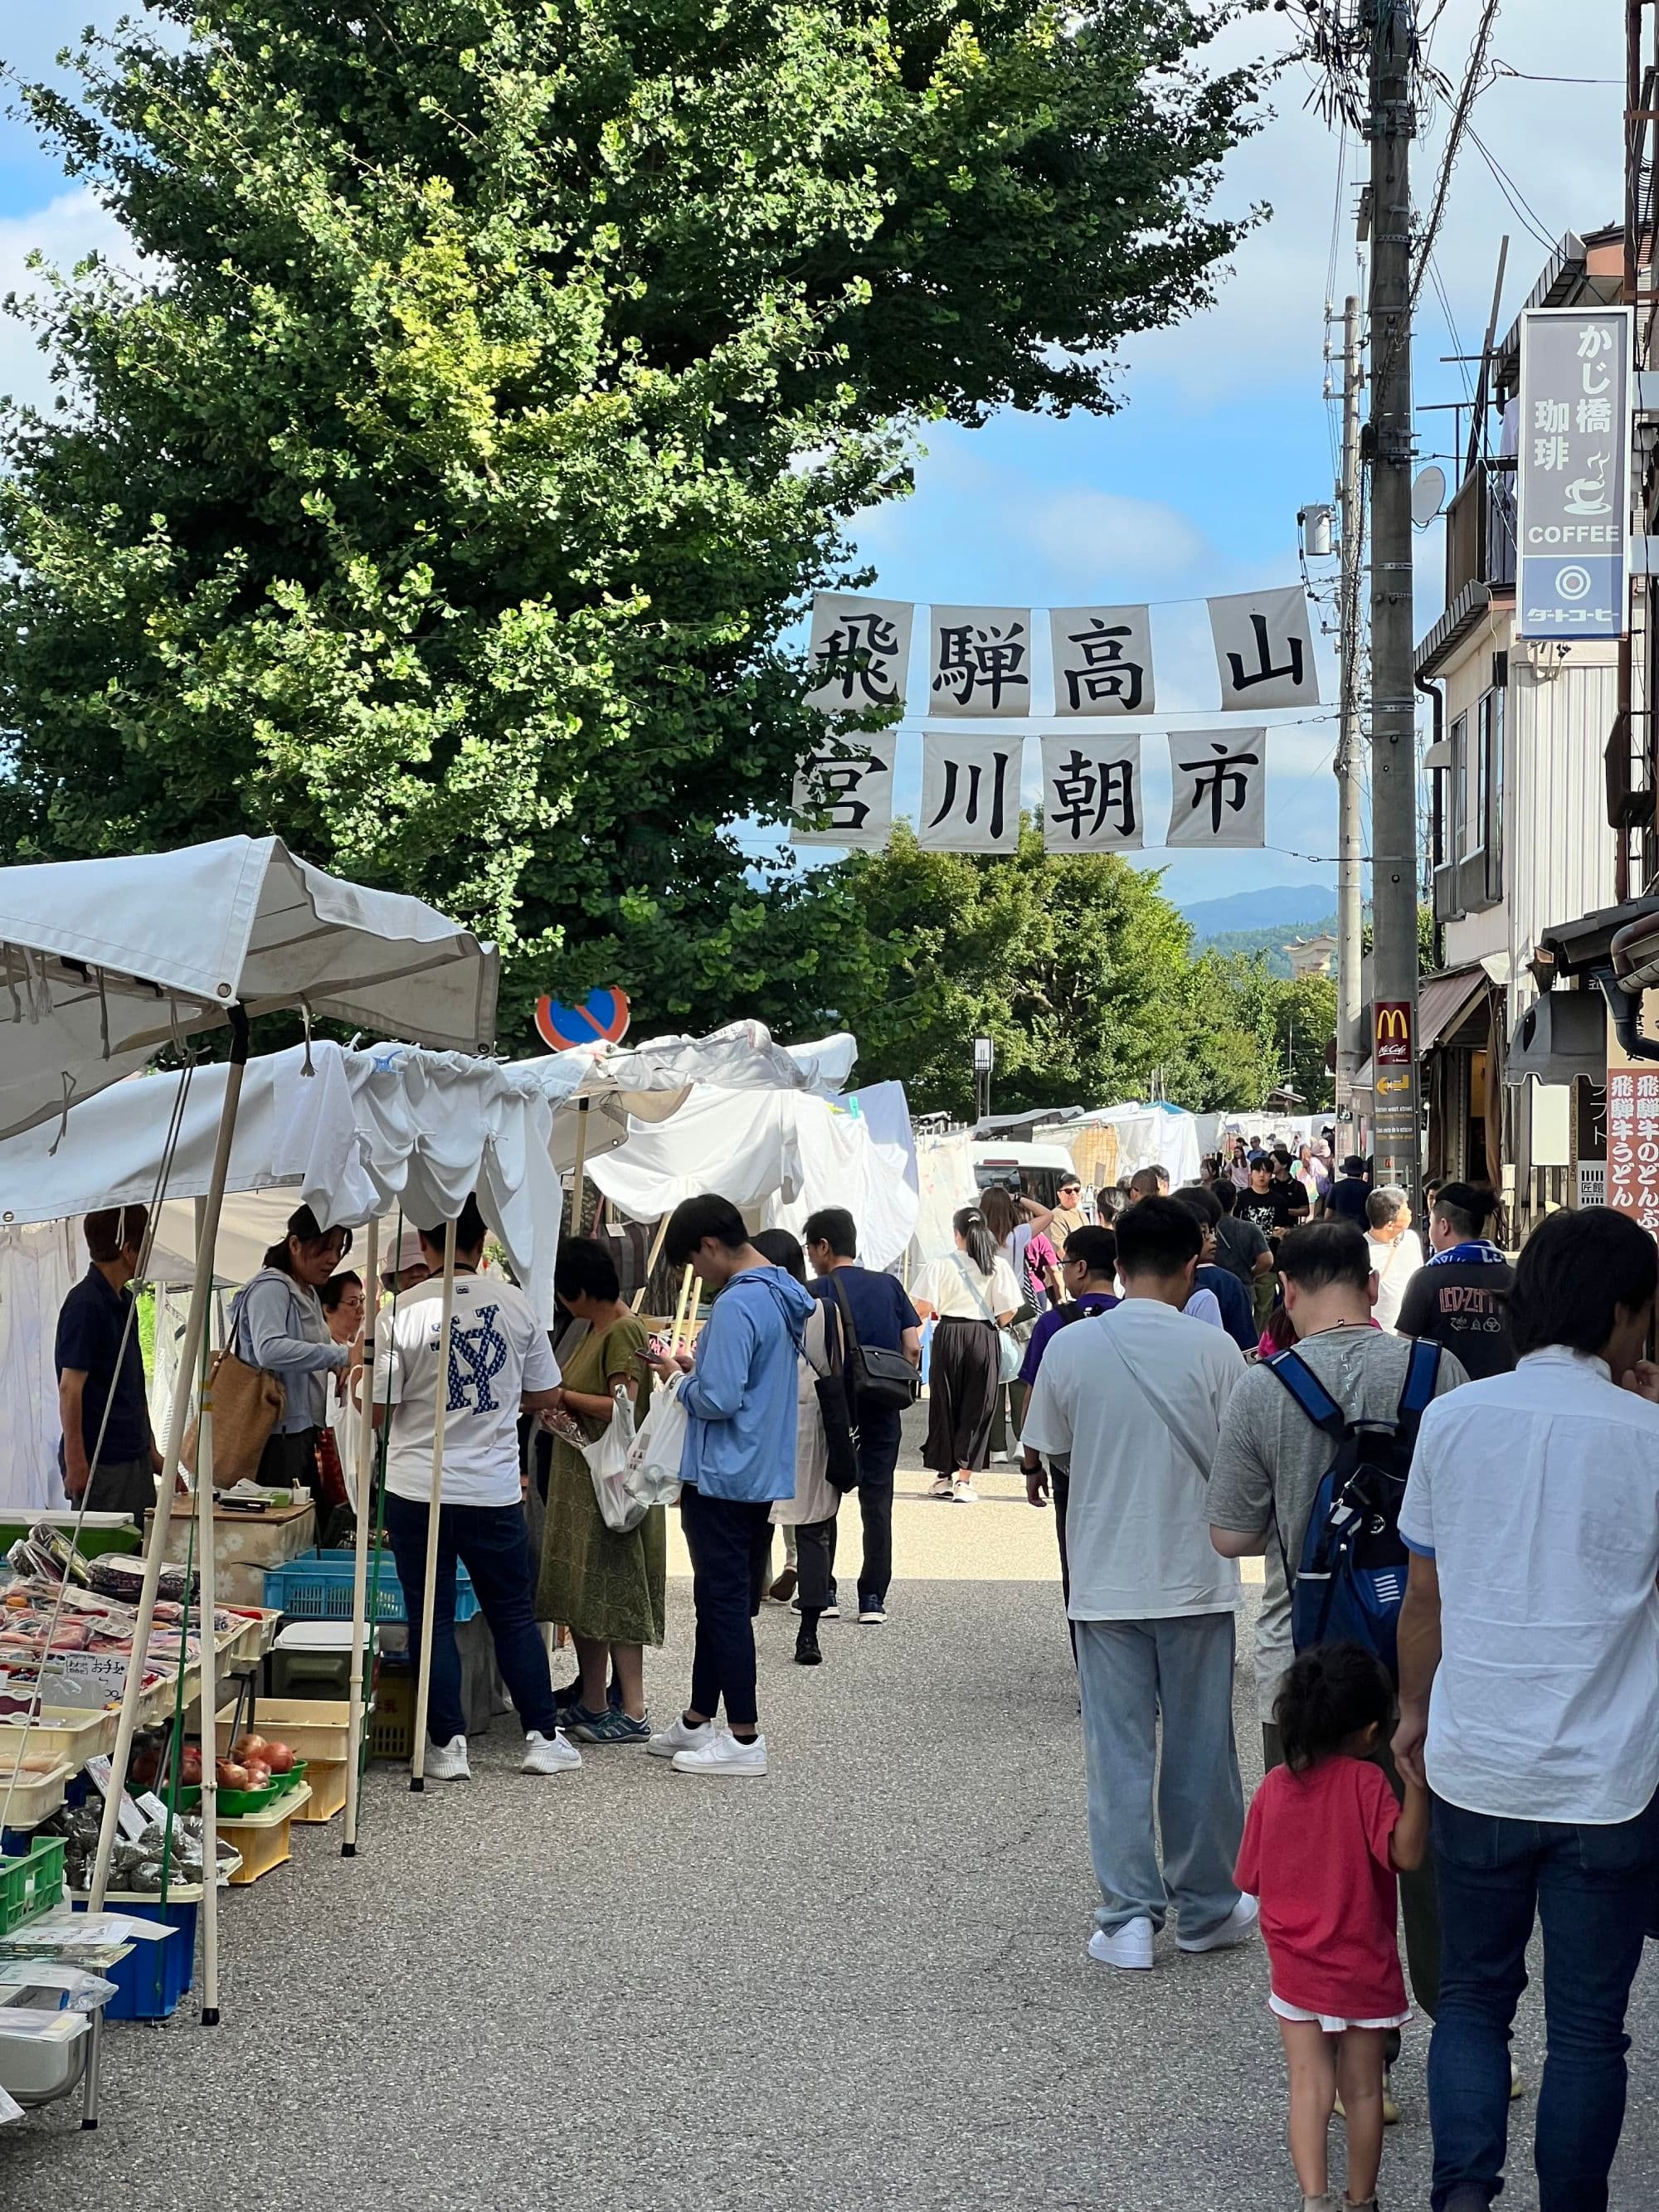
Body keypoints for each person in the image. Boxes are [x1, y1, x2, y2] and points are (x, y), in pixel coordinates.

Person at [1394, 1207, 1659, 2212]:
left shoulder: (1454, 1421)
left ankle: (1462, 2197)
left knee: (1471, 2001)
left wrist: (1412, 1711)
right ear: (1624, 1312)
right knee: (1588, 2029)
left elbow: (1423, 1598)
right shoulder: (1646, 1438)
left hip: (1477, 1760)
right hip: (1608, 1776)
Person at [1209, 1221, 1466, 2113]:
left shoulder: (1262, 1387)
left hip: (1308, 1666)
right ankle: (1468, 2041)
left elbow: (1230, 1533)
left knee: (1332, 1878)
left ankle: (1361, 2071)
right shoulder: (1438, 1373)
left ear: (1285, 1292)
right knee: (1432, 1862)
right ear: (1372, 1284)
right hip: (1428, 1660)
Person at [1020, 1197, 1255, 1970]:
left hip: (1104, 1576)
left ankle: (1126, 1917)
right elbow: (1238, 1459)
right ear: (1193, 1264)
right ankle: (1207, 1905)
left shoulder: (1070, 1347)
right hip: (1196, 1575)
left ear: (1117, 1266)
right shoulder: (1216, 1351)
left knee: (1117, 1749)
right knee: (1202, 1747)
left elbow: (1052, 1448)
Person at [373, 1195, 578, 1782]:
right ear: (483, 1239)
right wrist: (502, 1398)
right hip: (492, 1485)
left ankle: (447, 1745)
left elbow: (379, 1411)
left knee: (431, 1616)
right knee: (511, 1612)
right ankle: (542, 1736)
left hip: (417, 1486)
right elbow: (548, 1393)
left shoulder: (399, 1312)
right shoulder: (517, 1304)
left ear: (425, 1243)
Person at [1240, 1645, 1428, 2212]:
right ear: (1370, 1730)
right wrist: (1417, 1790)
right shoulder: (1368, 1784)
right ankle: (1360, 2200)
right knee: (1363, 2089)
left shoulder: (1274, 1786)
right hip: (1361, 1965)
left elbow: (1248, 1876)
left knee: (1308, 2085)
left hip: (1296, 1967)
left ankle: (1314, 2199)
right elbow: (1405, 1855)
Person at [646, 1193, 815, 1777]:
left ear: (710, 1245)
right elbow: (747, 1381)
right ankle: (699, 1718)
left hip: (722, 1470)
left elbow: (718, 1398)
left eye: (695, 1262)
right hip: (758, 1466)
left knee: (721, 1604)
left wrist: (678, 1380)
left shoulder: (739, 1301)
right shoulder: (780, 1291)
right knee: (721, 1599)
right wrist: (703, 1373)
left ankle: (743, 1735)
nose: (698, 1274)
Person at [536, 1237, 660, 1744]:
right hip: (585, 1478)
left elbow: (621, 1407)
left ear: (579, 1290)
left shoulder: (622, 1329)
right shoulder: (597, 1327)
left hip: (609, 1485)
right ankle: (593, 1700)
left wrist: (561, 1395)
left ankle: (632, 1710)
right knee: (587, 1594)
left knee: (616, 1591)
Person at [800, 1207, 920, 1626]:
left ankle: (824, 1591)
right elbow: (913, 1346)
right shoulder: (889, 1285)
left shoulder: (814, 1290)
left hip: (831, 1409)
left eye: (811, 1248)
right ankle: (872, 1598)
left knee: (824, 1499)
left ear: (824, 1246)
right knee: (877, 1501)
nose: (810, 1257)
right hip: (882, 1405)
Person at [1019, 1223, 1118, 1630]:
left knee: (1075, 1556)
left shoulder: (1052, 1323)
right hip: (1125, 1456)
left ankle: (1087, 1645)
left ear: (1080, 1268)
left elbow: (1032, 1401)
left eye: (1063, 1264)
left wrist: (1031, 1466)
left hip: (1070, 1462)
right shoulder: (1133, 1317)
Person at [752, 1228, 840, 1669]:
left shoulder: (751, 1307)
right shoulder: (823, 1309)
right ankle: (809, 1631)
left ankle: (742, 1620)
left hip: (763, 1427)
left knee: (754, 1528)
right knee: (812, 1531)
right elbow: (836, 1370)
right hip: (812, 1427)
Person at [234, 1205, 359, 1501]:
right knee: (283, 1517)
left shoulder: (307, 1290)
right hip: (275, 1434)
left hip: (299, 1430)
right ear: (294, 1244)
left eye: (338, 1249)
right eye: (325, 1248)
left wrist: (336, 1362)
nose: (333, 1259)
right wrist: (340, 1357)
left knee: (302, 1516)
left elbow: (310, 1347)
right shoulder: (273, 1287)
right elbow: (269, 1349)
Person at [55, 1205, 164, 1514]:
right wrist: (76, 1461)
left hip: (133, 1454)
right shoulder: (85, 1304)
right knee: (108, 1544)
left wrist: (152, 1452)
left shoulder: (126, 1301)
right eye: (147, 1241)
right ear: (128, 1251)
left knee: (142, 1539)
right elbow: (70, 1388)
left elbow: (133, 1385)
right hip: (102, 1461)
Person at [911, 1207, 1021, 1505]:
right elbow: (1010, 1310)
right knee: (978, 1406)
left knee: (945, 1404)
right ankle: (964, 1480)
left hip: (948, 1334)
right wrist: (994, 1324)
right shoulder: (996, 1265)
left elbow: (922, 1309)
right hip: (983, 1335)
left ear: (956, 1233)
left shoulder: (939, 1264)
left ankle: (943, 1477)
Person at [1394, 1181, 1515, 1380]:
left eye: (1431, 1223)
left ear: (1444, 1226)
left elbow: (1404, 1350)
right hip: (1504, 1394)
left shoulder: (1426, 1279)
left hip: (1442, 1395)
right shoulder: (1514, 1279)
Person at [1173, 1186, 1258, 1354]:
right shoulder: (1229, 1284)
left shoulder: (1155, 1281)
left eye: (1212, 1230)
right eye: (1204, 1231)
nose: (1212, 1238)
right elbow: (1246, 1350)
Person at [1365, 1186, 1423, 1335]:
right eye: (1405, 1209)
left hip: (1409, 1332)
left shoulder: (1411, 1239)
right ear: (1390, 1225)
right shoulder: (1362, 1248)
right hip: (1378, 1332)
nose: (1410, 1212)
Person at [1325, 1155, 1371, 1228]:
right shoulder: (1368, 1188)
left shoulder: (1337, 1187)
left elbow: (1328, 1214)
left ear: (1346, 1171)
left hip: (1341, 1229)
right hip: (1362, 1229)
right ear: (1362, 1171)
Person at [1048, 1174, 1090, 1240]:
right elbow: (1060, 1245)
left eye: (1077, 1189)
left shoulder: (1082, 1215)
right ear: (1059, 1194)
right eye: (1068, 1191)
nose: (1073, 1193)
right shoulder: (1056, 1216)